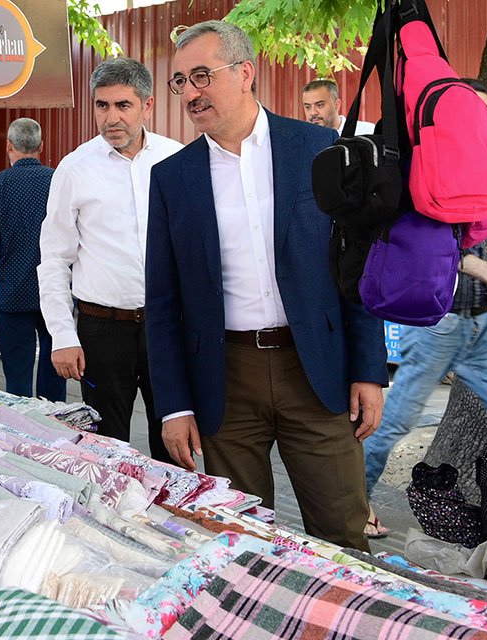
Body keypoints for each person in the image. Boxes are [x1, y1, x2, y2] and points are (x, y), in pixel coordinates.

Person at [147, 21, 388, 551]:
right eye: (181, 81)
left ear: (245, 73)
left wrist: (370, 369)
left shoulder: (319, 149)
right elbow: (162, 303)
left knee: (343, 533)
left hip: (317, 370)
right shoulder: (172, 178)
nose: (190, 92)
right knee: (241, 539)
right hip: (225, 379)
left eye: (202, 76)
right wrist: (173, 406)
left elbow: (357, 269)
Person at [361, 78, 487, 539]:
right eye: (470, 110)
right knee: (394, 421)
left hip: (481, 324)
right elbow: (432, 251)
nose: (478, 120)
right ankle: (351, 504)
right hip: (436, 324)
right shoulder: (433, 163)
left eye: (485, 112)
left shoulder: (485, 164)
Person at [38, 58, 183, 455]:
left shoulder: (176, 160)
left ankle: (168, 517)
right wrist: (62, 335)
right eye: (102, 105)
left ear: (148, 106)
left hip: (166, 328)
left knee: (175, 444)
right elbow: (53, 258)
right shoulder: (74, 169)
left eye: (123, 105)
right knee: (105, 449)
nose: (111, 117)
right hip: (102, 331)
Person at [0, 118, 64, 401]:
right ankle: (57, 430)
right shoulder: (58, 181)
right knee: (56, 368)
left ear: (9, 146)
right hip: (55, 291)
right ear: (41, 147)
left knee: (17, 374)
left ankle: (21, 432)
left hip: (13, 292)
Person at [301, 79, 375, 135]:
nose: (313, 112)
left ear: (337, 105)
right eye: (308, 107)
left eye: (319, 105)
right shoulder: (300, 139)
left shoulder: (367, 131)